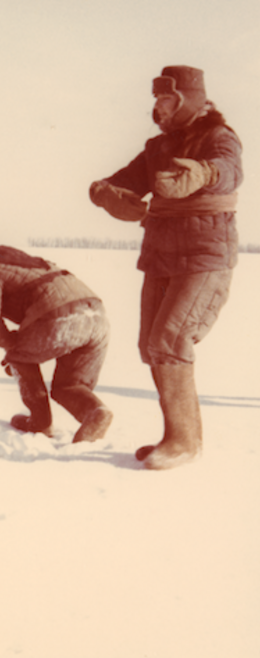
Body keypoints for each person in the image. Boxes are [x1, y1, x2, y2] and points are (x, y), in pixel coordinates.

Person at [89, 65, 242, 469]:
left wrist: (203, 173)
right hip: (160, 252)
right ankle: (173, 437)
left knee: (170, 341)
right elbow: (126, 179)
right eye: (156, 99)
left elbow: (229, 171)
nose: (158, 107)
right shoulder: (157, 148)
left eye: (167, 99)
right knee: (151, 346)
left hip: (205, 255)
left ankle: (184, 443)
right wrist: (107, 192)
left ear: (189, 99)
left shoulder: (218, 137)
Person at [0, 230, 113, 443]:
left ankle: (40, 422)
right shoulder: (31, 261)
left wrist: (8, 344)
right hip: (97, 317)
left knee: (19, 359)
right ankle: (96, 412)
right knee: (69, 385)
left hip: (60, 317)